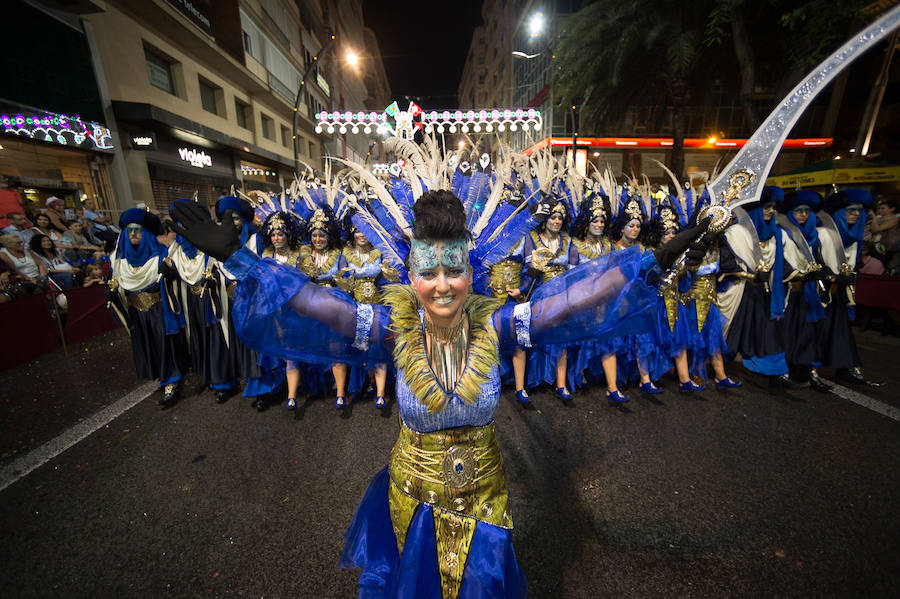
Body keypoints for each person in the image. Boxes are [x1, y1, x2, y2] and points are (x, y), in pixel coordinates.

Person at [172, 189, 708, 599]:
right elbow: (314, 303)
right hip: (415, 495)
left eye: (455, 268)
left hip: (484, 496)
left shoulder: (496, 326)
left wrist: (657, 262)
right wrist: (239, 260)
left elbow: (571, 302)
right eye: (429, 271)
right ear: (410, 273)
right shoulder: (387, 329)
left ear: (472, 270)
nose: (444, 284)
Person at [108, 208, 189, 406]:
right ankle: (163, 377)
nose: (133, 234)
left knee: (164, 345)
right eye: (130, 230)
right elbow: (116, 287)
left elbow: (177, 282)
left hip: (159, 311)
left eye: (138, 230)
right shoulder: (118, 262)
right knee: (148, 346)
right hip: (137, 313)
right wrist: (112, 293)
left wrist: (170, 275)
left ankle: (171, 382)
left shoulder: (160, 256)